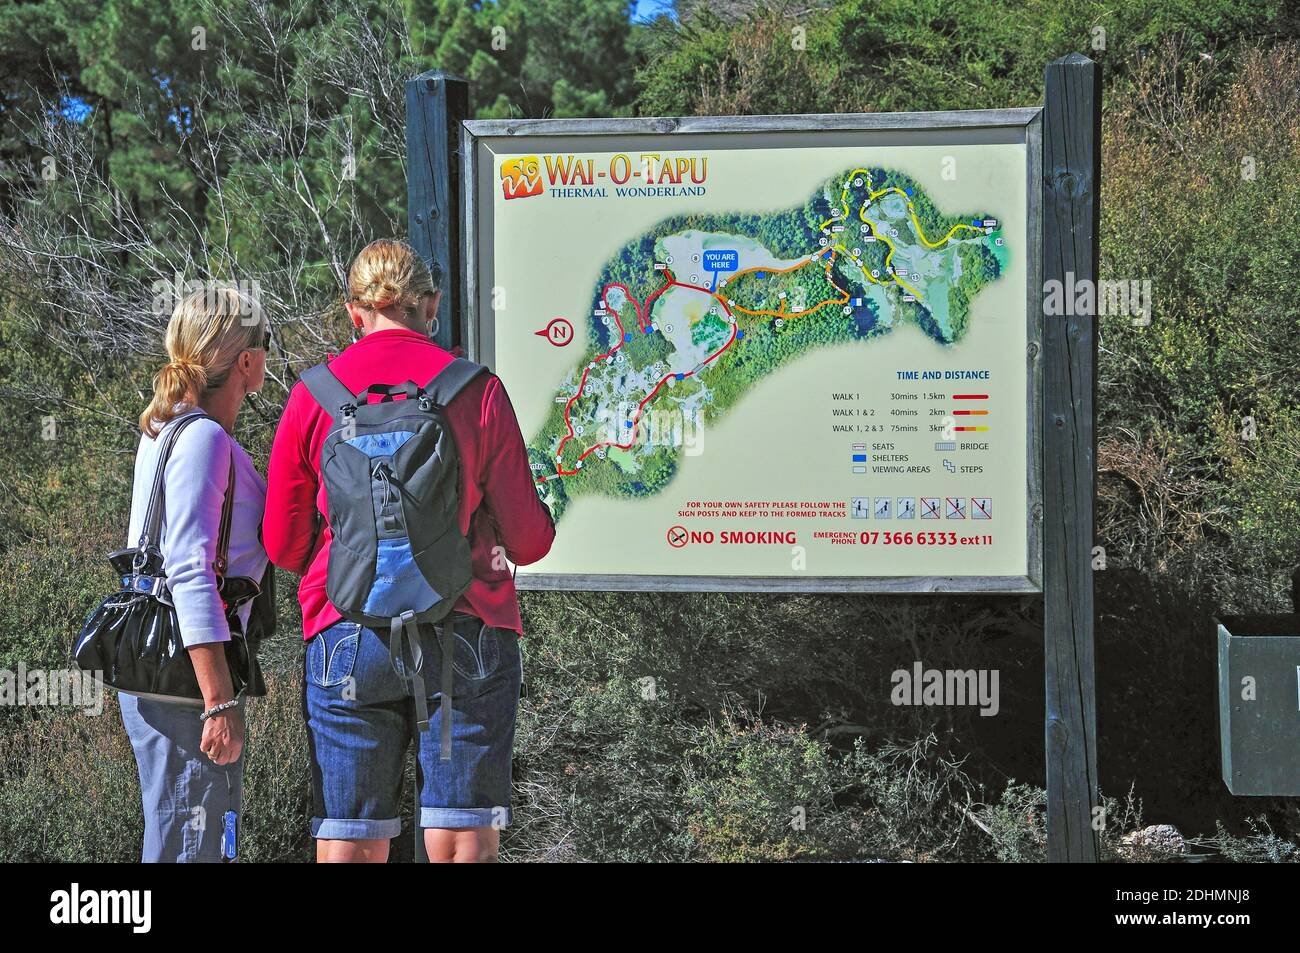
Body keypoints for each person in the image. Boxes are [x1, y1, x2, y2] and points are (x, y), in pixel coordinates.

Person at [264, 239, 555, 863]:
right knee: (458, 837)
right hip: (465, 631)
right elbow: (529, 541)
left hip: (346, 633)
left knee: (349, 836)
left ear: (354, 312)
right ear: (432, 304)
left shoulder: (313, 396)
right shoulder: (477, 391)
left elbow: (284, 547)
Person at [119, 284, 270, 862]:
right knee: (194, 844)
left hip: (165, 671)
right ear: (247, 363)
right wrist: (217, 701)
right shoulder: (203, 437)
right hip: (189, 681)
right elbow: (188, 570)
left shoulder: (164, 429)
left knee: (188, 836)